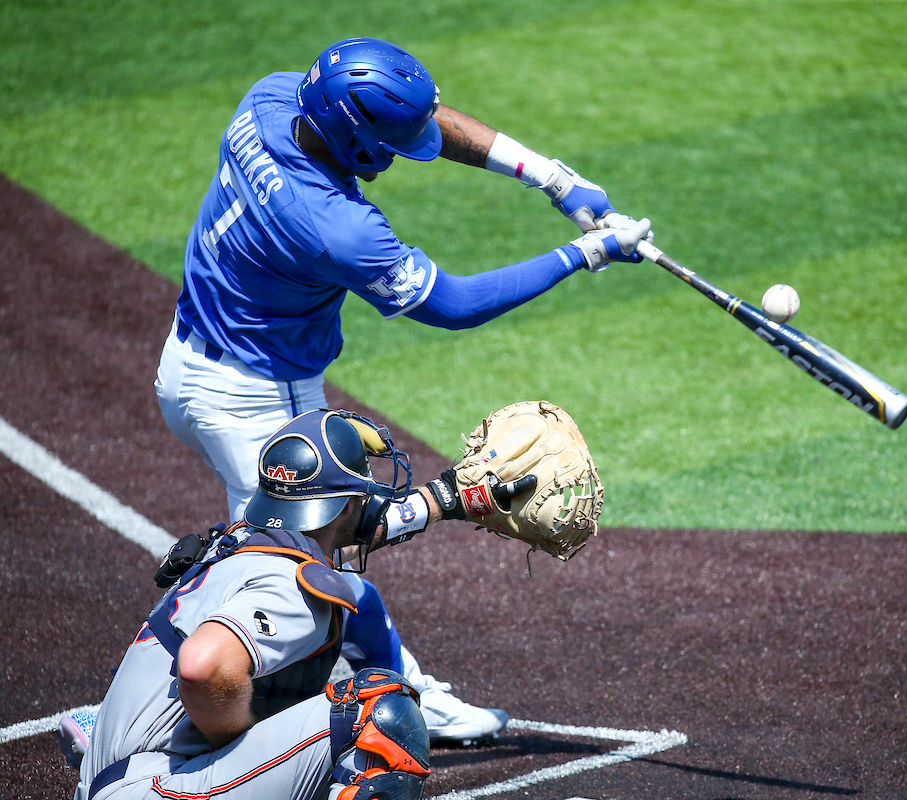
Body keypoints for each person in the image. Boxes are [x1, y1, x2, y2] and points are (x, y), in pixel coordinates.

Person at [133, 34, 650, 749]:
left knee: (280, 552)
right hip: (258, 399)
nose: (410, 146)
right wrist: (584, 253)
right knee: (325, 557)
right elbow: (454, 304)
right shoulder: (336, 228)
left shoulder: (275, 98)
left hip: (185, 364)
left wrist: (552, 178)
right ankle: (400, 697)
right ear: (357, 140)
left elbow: (425, 118)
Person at [74, 408, 500, 800]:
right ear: (349, 505)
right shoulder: (291, 590)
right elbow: (201, 665)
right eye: (363, 494)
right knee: (377, 713)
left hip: (120, 771)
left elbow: (333, 543)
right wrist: (240, 741)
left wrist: (444, 500)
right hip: (153, 787)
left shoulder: (237, 543)